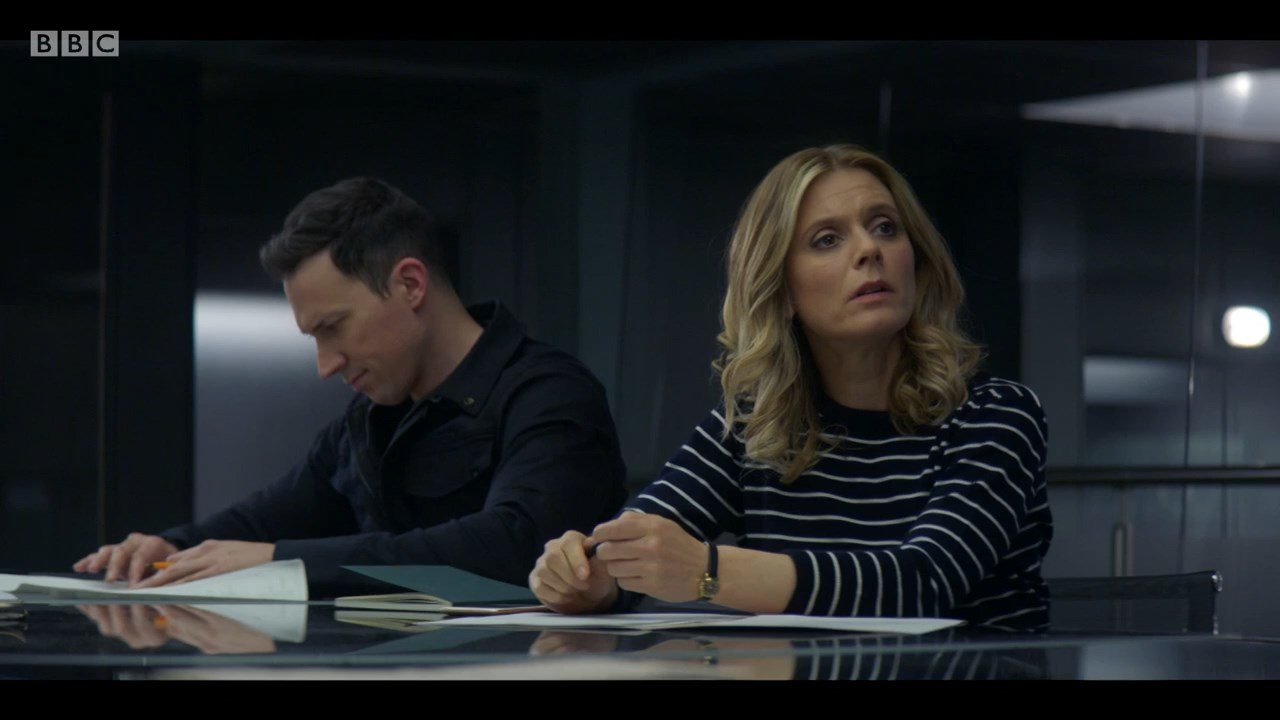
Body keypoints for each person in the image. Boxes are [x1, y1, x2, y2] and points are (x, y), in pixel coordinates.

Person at [530, 145, 1052, 631]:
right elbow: (639, 546)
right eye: (827, 240)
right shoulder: (753, 426)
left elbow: (923, 584)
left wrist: (708, 571)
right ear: (780, 290)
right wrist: (591, 577)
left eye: (885, 228)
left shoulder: (995, 415)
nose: (869, 249)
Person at [74, 177, 628, 594]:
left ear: (409, 284)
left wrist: (281, 561)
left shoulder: (549, 394)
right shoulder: (367, 420)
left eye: (333, 327)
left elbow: (516, 544)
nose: (325, 365)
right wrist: (172, 546)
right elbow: (264, 519)